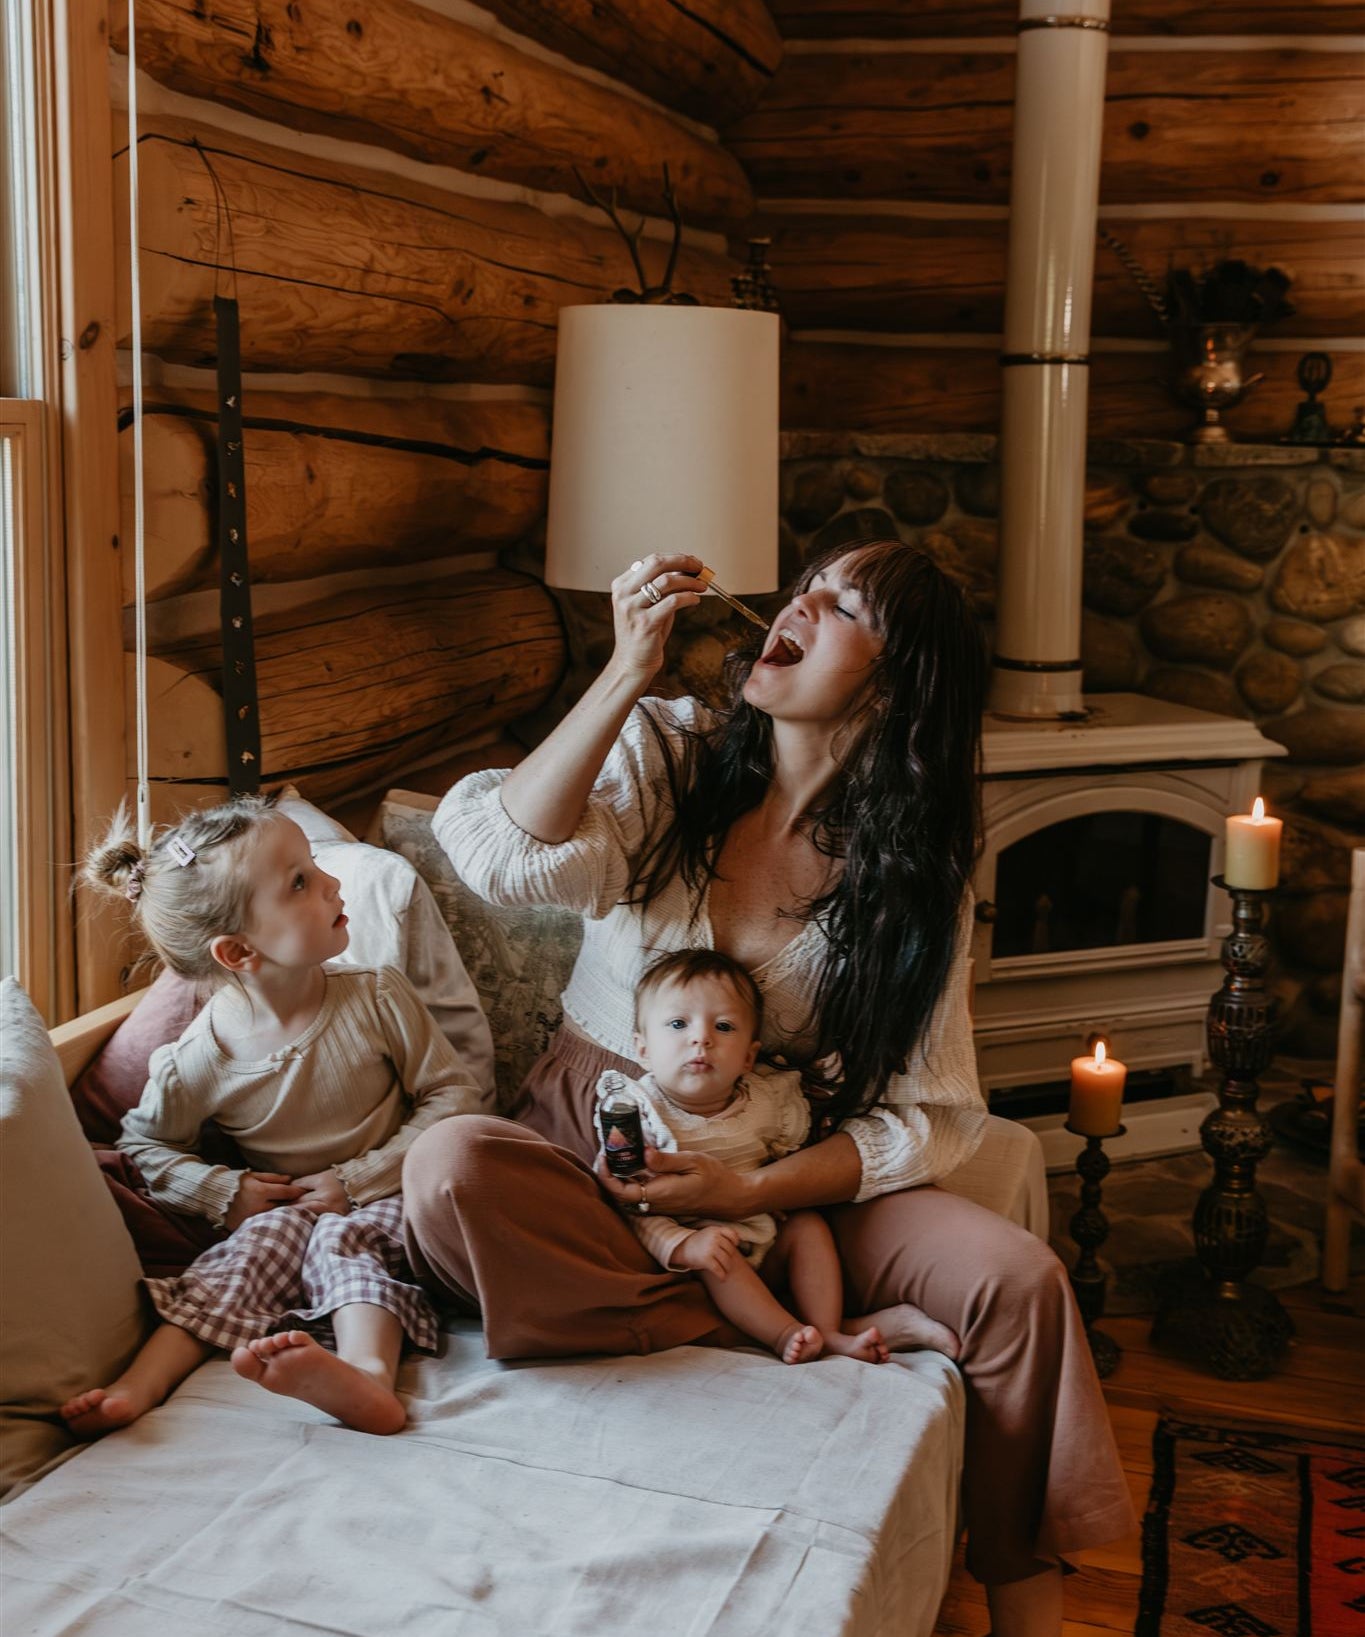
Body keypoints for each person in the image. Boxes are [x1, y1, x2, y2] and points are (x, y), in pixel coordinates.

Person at [402, 540, 1136, 1635]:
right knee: (449, 1168)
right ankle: (764, 1311)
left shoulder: (914, 876)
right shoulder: (671, 753)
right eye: (805, 584)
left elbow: (927, 1112)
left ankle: (1029, 1617)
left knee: (1019, 1278)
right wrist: (623, 670)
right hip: (601, 1149)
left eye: (838, 606)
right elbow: (506, 858)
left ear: (894, 684)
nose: (796, 603)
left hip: (788, 1169)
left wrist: (749, 1196)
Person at [61, 796, 486, 1438]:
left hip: (390, 1194)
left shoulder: (376, 996)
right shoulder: (198, 1058)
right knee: (244, 1253)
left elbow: (453, 1097)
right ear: (237, 952)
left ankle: (369, 1375)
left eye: (314, 867)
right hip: (289, 1209)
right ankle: (137, 1388)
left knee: (348, 1240)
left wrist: (361, 1179)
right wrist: (223, 1191)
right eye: (300, 883)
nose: (333, 884)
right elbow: (144, 1146)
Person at [602, 947, 939, 1366]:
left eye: (723, 1026)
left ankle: (829, 1330)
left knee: (808, 1226)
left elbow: (783, 1162)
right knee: (719, 1258)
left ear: (747, 1056)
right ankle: (785, 1334)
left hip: (761, 1232)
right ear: (643, 1048)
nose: (701, 1038)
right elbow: (632, 1204)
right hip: (695, 1257)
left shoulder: (768, 1101)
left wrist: (776, 1199)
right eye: (677, 1024)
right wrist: (684, 1244)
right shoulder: (636, 1113)